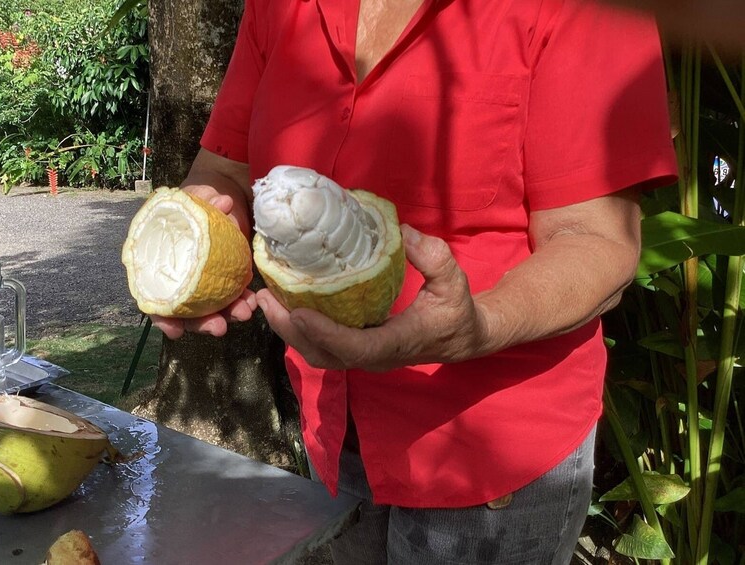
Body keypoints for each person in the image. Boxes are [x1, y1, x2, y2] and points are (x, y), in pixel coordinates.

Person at [153, 0, 678, 562]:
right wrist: (207, 235)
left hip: (492, 456)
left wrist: (477, 326)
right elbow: (226, 168)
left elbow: (598, 240)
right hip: (333, 429)